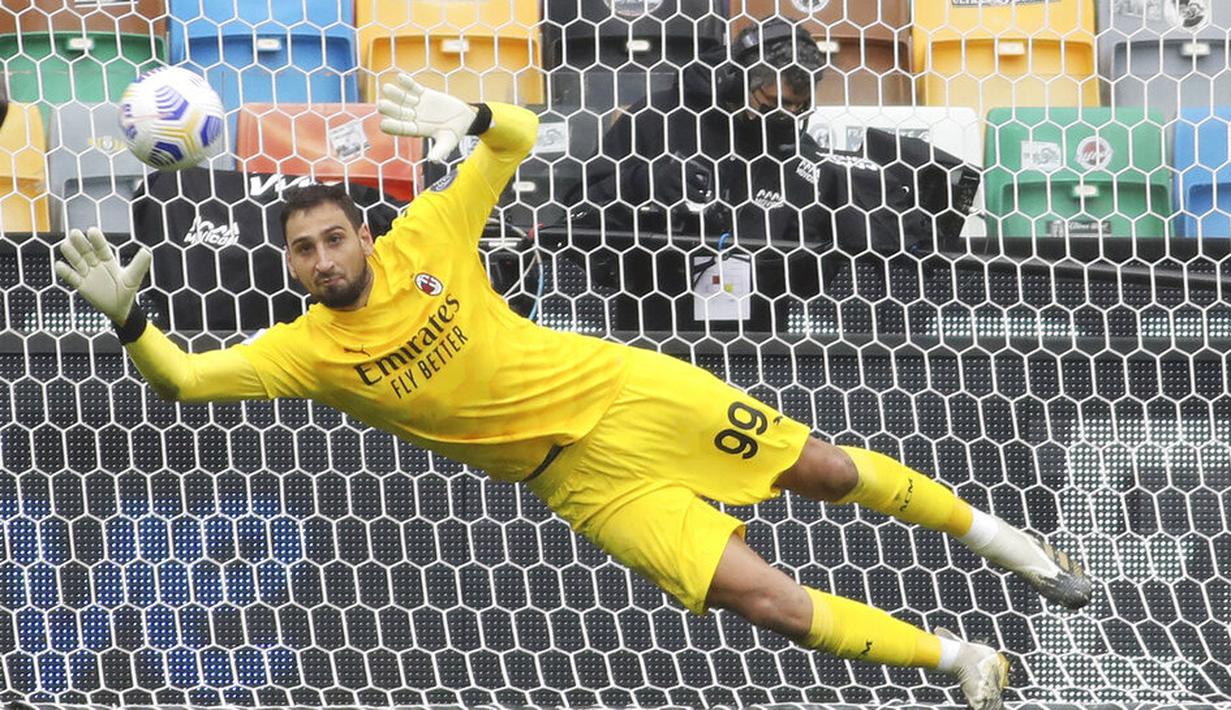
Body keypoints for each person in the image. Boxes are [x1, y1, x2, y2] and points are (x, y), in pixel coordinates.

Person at [53, 72, 1090, 710]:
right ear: (289, 266)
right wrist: (128, 318)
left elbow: (511, 138)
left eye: (333, 237)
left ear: (362, 233)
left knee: (819, 468)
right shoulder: (306, 349)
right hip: (580, 481)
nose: (322, 258)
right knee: (761, 598)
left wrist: (472, 110)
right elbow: (186, 381)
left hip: (623, 387)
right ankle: (963, 658)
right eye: (303, 250)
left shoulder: (431, 235)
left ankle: (1014, 547)